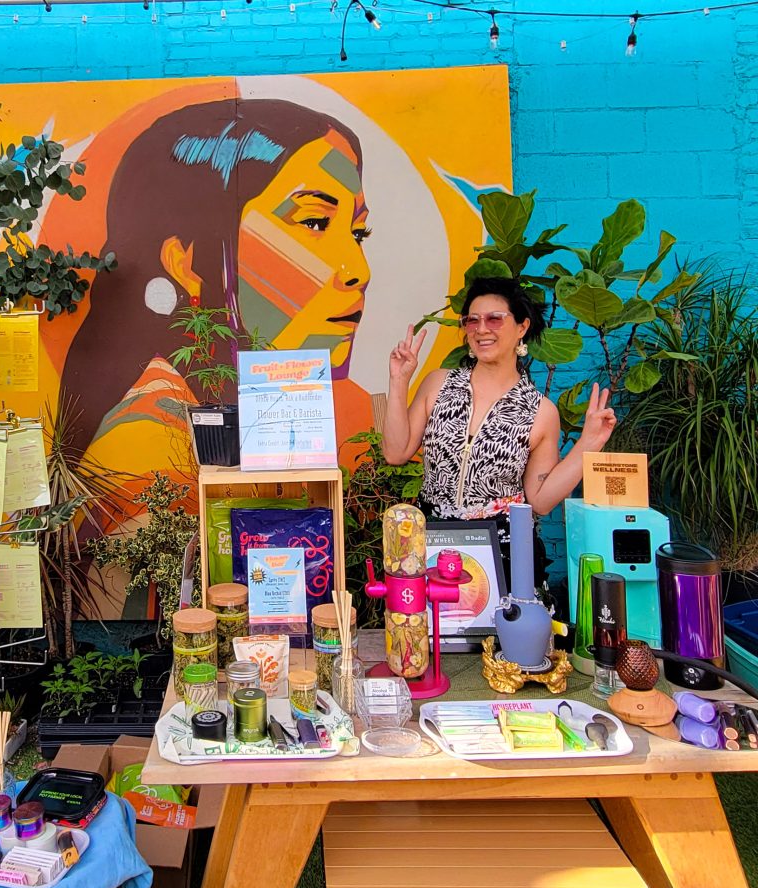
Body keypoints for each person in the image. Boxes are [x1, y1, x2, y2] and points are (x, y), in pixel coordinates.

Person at [60, 97, 372, 463]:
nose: (359, 272)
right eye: (314, 222)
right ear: (184, 262)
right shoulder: (152, 439)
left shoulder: (233, 400)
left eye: (358, 233)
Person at [382, 276, 617, 587]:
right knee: (434, 632)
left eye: (495, 319)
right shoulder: (439, 385)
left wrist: (588, 443)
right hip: (433, 545)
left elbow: (541, 500)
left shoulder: (539, 411)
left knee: (499, 635)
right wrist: (399, 381)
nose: (482, 329)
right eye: (472, 321)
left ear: (521, 327)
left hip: (503, 554)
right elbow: (395, 452)